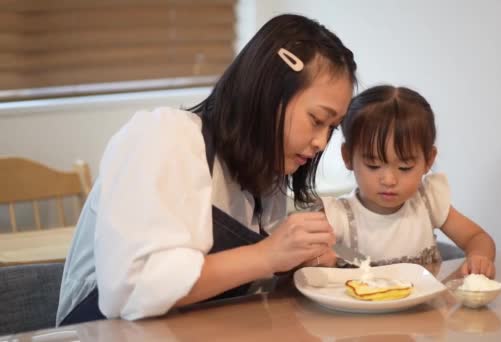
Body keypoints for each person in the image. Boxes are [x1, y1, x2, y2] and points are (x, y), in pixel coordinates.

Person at [56, 14, 357, 326]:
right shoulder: (164, 136)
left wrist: (291, 265)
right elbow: (132, 289)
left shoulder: (264, 181)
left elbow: (245, 290)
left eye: (332, 128)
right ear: (269, 93)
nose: (322, 142)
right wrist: (267, 255)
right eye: (317, 119)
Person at [320, 85, 496, 278]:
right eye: (373, 165)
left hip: (426, 308)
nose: (389, 180)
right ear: (347, 157)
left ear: (428, 161)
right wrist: (319, 259)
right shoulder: (339, 217)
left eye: (404, 168)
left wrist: (479, 257)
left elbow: (477, 237)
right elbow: (303, 259)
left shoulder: (427, 201)